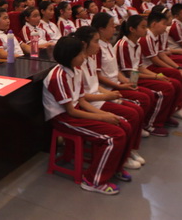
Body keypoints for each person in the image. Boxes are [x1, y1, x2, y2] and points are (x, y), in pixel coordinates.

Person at [43, 36, 131, 195]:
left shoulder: (76, 70)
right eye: (81, 54)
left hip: (76, 111)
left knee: (123, 123)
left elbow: (82, 100)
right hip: (63, 119)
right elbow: (70, 111)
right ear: (70, 56)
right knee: (114, 136)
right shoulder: (58, 77)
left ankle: (115, 167)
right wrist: (102, 118)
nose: (84, 57)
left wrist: (106, 114)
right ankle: (92, 181)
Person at [74, 26, 146, 170]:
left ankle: (130, 150)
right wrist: (107, 95)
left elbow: (94, 85)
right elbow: (82, 96)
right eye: (95, 41)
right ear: (84, 44)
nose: (98, 45)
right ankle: (123, 157)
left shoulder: (91, 57)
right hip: (91, 103)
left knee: (137, 110)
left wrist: (111, 94)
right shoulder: (77, 63)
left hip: (99, 97)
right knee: (130, 115)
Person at [92, 13, 154, 136]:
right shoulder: (116, 46)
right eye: (111, 26)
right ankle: (143, 125)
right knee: (144, 98)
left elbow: (120, 70)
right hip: (112, 86)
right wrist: (126, 84)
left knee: (149, 93)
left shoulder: (111, 44)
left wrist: (128, 82)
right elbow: (127, 72)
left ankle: (141, 125)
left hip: (122, 81)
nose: (114, 28)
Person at [116, 15, 177, 137]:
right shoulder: (123, 45)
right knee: (162, 90)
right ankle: (150, 123)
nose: (146, 30)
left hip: (136, 76)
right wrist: (154, 78)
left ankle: (164, 117)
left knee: (170, 82)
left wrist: (158, 76)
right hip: (128, 79)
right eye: (143, 27)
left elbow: (140, 67)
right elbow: (129, 73)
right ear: (132, 29)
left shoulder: (137, 44)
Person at [139, 11, 182, 120]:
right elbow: (153, 61)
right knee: (173, 80)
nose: (166, 26)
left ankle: (178, 105)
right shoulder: (145, 38)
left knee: (179, 72)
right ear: (154, 24)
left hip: (149, 68)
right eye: (164, 24)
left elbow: (161, 55)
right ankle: (176, 108)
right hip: (147, 69)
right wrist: (160, 75)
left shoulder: (154, 36)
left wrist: (177, 68)